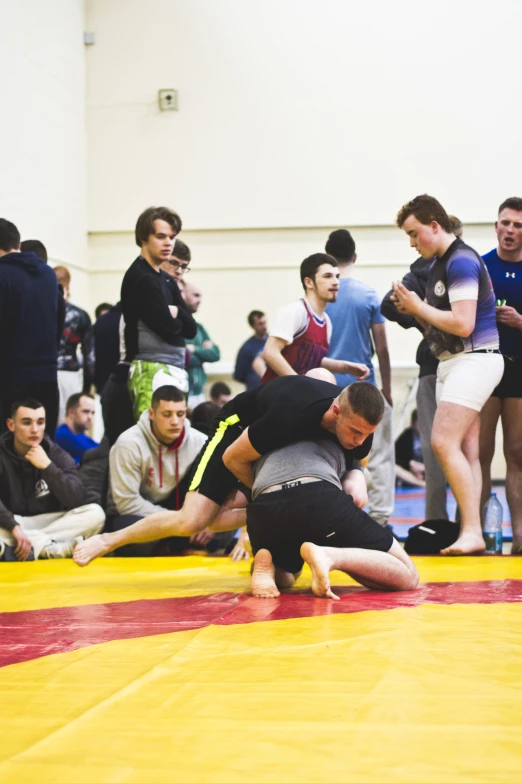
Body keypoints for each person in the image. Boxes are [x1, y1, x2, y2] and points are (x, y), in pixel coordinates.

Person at [74, 375, 381, 566]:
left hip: (272, 439)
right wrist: (262, 506)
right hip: (237, 430)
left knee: (279, 508)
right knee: (191, 521)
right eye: (355, 432)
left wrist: (356, 479)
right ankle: (109, 540)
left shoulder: (358, 431)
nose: (358, 441)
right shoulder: (290, 416)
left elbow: (354, 461)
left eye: (366, 435)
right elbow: (234, 458)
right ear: (336, 412)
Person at [393, 194, 503, 554]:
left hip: (475, 359)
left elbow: (464, 322)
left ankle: (471, 530)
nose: (411, 242)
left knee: (441, 441)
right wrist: (415, 310)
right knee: (468, 450)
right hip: (455, 361)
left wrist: (416, 306)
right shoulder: (441, 263)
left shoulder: (461, 261)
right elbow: (444, 326)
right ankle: (470, 530)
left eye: (414, 233)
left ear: (434, 226)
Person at [248, 436, 419, 599]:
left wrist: (244, 531)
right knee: (408, 575)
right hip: (319, 500)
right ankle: (331, 556)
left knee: (289, 572)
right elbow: (357, 496)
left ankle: (269, 565)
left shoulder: (266, 430)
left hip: (263, 513)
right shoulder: (341, 434)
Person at [381, 214, 464, 520]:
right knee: (439, 448)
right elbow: (389, 303)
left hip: (462, 366)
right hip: (437, 364)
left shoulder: (464, 266)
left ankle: (457, 522)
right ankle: (443, 522)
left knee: (456, 449)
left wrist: (420, 316)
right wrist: (421, 320)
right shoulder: (425, 272)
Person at [325, 229, 394, 528]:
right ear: (355, 257)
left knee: (327, 453)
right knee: (379, 453)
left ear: (328, 258)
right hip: (364, 387)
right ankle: (378, 517)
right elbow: (382, 348)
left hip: (326, 386)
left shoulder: (320, 294)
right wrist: (387, 389)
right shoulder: (368, 295)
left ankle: (331, 513)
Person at [105, 385, 208, 556]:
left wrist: (207, 520)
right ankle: (171, 544)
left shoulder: (200, 442)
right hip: (136, 514)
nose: (175, 421)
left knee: (222, 526)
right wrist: (178, 520)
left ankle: (176, 543)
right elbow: (126, 503)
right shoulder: (128, 444)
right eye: (167, 414)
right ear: (151, 414)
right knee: (132, 534)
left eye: (180, 414)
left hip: (179, 511)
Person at [0, 399, 105, 560]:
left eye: (40, 423)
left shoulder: (56, 454)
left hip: (49, 523)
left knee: (96, 514)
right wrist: (13, 526)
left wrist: (48, 467)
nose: (35, 430)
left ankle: (25, 547)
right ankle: (50, 548)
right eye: (26, 423)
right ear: (11, 425)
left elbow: (77, 499)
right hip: (11, 523)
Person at [121, 207, 197, 420]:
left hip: (173, 366)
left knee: (174, 440)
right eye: (161, 236)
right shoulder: (142, 277)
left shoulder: (164, 279)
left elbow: (190, 329)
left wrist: (178, 311)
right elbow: (170, 330)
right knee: (152, 440)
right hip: (150, 367)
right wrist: (179, 316)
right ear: (144, 238)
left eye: (172, 237)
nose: (168, 243)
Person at [479, 197, 522, 553]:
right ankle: (479, 534)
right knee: (480, 452)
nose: (510, 230)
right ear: (496, 226)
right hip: (485, 366)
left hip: (518, 369)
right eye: (505, 223)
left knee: (517, 452)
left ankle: (520, 535)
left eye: (518, 225)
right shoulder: (480, 266)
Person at [261, 253, 369, 385]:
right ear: (309, 282)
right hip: (274, 397)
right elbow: (270, 352)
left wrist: (346, 367)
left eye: (337, 276)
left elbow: (314, 360)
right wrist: (300, 384)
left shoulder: (326, 322)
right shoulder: (296, 311)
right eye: (327, 276)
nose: (335, 282)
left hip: (296, 398)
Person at [0, 219, 61, 438]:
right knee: (42, 444)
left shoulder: (3, 274)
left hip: (10, 376)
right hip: (47, 373)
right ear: (17, 242)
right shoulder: (48, 274)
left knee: (8, 448)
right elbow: (59, 321)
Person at [54, 265, 95, 425]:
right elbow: (90, 356)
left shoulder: (41, 311)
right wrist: (86, 388)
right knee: (70, 422)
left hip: (46, 370)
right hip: (70, 373)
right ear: (68, 285)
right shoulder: (80, 315)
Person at [183, 281, 220, 408]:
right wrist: (204, 355)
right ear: (183, 295)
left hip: (199, 392)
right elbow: (182, 358)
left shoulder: (199, 328)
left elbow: (215, 354)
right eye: (196, 295)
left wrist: (195, 350)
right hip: (182, 392)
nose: (200, 301)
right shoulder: (177, 327)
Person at [55, 393, 99, 465]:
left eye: (92, 413)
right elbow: (100, 452)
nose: (90, 417)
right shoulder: (62, 435)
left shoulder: (81, 434)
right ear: (71, 413)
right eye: (85, 411)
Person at [234, 311, 269, 390]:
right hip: (256, 390)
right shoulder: (246, 348)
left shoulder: (273, 342)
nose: (264, 326)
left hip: (274, 388)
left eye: (265, 322)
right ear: (253, 326)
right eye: (260, 324)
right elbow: (239, 375)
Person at [395, 410, 425, 488]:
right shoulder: (406, 436)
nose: (422, 426)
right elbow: (397, 459)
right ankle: (422, 484)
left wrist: (423, 468)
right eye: (419, 423)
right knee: (395, 468)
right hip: (411, 474)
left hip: (428, 471)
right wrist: (410, 464)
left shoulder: (433, 437)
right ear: (413, 423)